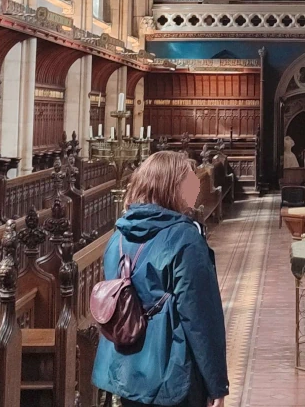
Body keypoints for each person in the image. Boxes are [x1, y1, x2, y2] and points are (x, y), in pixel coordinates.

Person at [93, 151, 229, 407]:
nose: (196, 188)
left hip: (125, 373)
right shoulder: (185, 240)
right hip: (172, 375)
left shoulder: (118, 236)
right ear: (171, 189)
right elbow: (200, 317)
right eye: (190, 183)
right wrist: (216, 383)